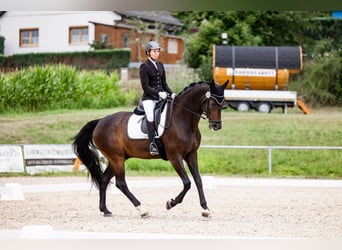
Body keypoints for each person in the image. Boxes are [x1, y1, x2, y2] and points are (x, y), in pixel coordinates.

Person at [139, 40, 176, 155]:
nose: (156, 53)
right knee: (151, 117)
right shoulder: (144, 66)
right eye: (154, 51)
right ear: (148, 52)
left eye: (158, 51)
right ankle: (152, 144)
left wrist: (171, 93)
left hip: (162, 97)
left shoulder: (160, 65)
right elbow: (145, 86)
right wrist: (158, 93)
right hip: (149, 99)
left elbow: (164, 84)